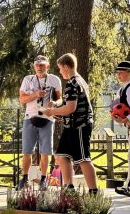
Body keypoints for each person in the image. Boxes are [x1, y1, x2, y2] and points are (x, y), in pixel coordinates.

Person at [42, 53, 98, 194]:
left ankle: (93, 192)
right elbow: (70, 107)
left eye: (60, 68)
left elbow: (70, 107)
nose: (60, 72)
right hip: (70, 126)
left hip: (79, 126)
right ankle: (68, 188)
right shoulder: (80, 81)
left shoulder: (72, 83)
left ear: (66, 66)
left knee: (83, 158)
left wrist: (51, 111)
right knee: (62, 156)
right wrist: (58, 112)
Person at [19, 55, 62, 190]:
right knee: (27, 151)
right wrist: (35, 94)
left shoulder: (54, 79)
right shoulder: (28, 79)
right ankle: (25, 178)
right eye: (37, 65)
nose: (40, 67)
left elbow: (60, 99)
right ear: (34, 67)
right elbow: (22, 99)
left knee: (45, 151)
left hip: (47, 118)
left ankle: (43, 179)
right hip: (30, 117)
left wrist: (55, 103)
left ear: (47, 66)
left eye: (42, 65)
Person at [110, 60, 130, 196]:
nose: (119, 75)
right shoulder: (122, 90)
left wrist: (126, 119)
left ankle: (128, 186)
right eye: (118, 72)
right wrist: (116, 116)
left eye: (121, 72)